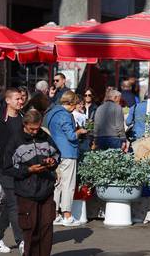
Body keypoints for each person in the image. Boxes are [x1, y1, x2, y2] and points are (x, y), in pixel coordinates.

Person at [4, 109, 60, 256]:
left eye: (38, 128)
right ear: (25, 124)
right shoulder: (15, 140)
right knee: (31, 229)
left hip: (46, 189)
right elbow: (8, 167)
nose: (35, 131)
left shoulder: (44, 136)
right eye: (32, 129)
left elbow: (56, 154)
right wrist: (28, 170)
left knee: (46, 228)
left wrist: (52, 162)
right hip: (26, 192)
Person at [0, 88, 24, 254]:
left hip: (22, 169)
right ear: (8, 100)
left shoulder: (24, 121)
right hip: (4, 169)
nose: (20, 101)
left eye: (22, 99)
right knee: (15, 204)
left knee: (10, 204)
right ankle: (21, 240)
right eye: (17, 99)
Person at [45, 91, 87, 227]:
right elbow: (71, 136)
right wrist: (80, 131)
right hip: (68, 152)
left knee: (57, 184)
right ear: (69, 103)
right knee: (68, 185)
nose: (74, 108)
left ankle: (55, 214)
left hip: (55, 152)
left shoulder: (52, 112)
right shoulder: (65, 115)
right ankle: (67, 215)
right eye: (74, 105)